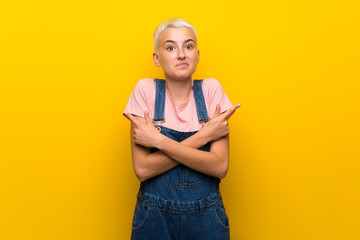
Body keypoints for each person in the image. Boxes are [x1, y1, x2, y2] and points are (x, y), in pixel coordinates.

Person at [123, 18, 240, 240]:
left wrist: (158, 142)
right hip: (154, 220)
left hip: (207, 219)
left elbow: (220, 166)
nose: (181, 54)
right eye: (170, 47)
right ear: (157, 58)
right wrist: (205, 135)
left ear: (197, 54)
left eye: (188, 46)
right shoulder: (144, 90)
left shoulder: (211, 90)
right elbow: (143, 170)